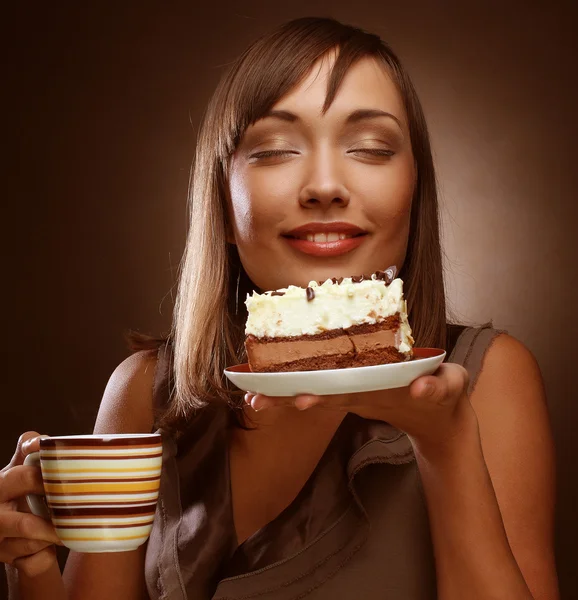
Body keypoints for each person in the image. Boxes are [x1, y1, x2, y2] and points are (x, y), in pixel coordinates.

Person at [2, 17, 559, 600]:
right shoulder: (146, 393)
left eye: (370, 148)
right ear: (221, 199)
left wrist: (446, 445)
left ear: (415, 190)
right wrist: (31, 568)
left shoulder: (489, 377)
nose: (324, 185)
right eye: (274, 150)